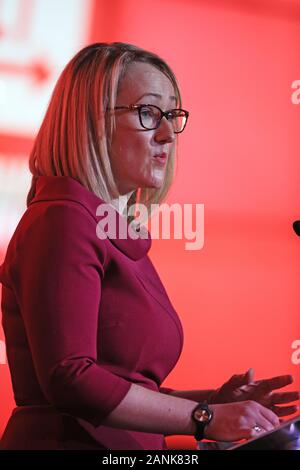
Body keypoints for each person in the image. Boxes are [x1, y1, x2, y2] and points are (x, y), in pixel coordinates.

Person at [0, 42, 299, 451]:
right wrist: (205, 419)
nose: (166, 135)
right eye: (147, 113)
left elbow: (121, 388)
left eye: (172, 116)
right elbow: (70, 377)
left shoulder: (108, 229)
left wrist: (209, 403)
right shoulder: (63, 219)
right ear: (91, 122)